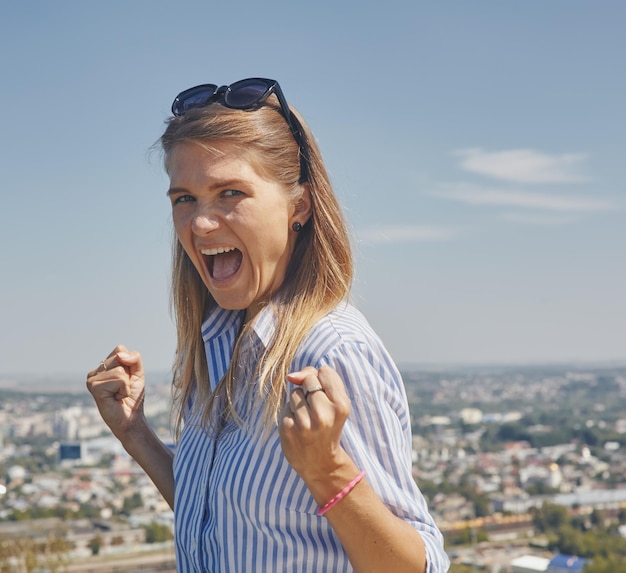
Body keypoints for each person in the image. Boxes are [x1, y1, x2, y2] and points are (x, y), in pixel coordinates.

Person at [87, 78, 449, 572]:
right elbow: (225, 522)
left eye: (229, 192)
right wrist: (136, 436)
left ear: (298, 205)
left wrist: (327, 471)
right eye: (184, 199)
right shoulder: (216, 344)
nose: (200, 224)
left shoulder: (331, 352)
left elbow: (420, 565)